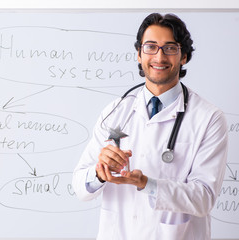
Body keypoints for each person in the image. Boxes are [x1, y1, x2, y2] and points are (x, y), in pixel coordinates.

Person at [72, 13, 228, 240]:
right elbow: (79, 187)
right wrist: (99, 173)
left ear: (183, 56)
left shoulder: (209, 118)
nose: (159, 56)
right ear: (139, 54)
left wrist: (146, 183)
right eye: (151, 47)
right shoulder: (115, 111)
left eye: (170, 48)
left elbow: (204, 198)